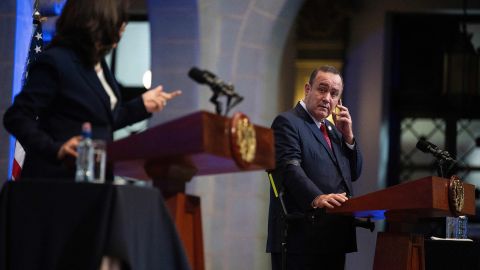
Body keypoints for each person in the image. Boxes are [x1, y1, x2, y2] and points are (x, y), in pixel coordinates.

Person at [3, 0, 182, 180]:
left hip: (94, 181)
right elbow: (17, 116)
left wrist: (142, 106)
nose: (123, 27)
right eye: (118, 20)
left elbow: (101, 120)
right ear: (98, 21)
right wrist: (56, 149)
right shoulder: (57, 60)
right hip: (57, 181)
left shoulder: (98, 65)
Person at [267, 66, 362, 270]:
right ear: (307, 89)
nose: (327, 98)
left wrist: (349, 138)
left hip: (333, 236)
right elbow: (289, 169)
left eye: (334, 94)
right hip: (300, 237)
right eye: (322, 89)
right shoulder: (288, 122)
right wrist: (316, 198)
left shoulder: (334, 131)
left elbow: (354, 173)